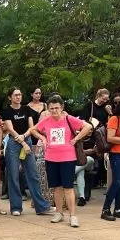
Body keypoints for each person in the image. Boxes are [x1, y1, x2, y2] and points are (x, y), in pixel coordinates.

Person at [32, 95, 91, 228]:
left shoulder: (69, 119)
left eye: (56, 108)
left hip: (67, 158)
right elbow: (34, 130)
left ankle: (73, 215)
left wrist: (76, 139)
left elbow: (87, 126)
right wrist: (43, 138)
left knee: (68, 187)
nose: (54, 111)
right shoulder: (46, 121)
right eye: (51, 108)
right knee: (56, 187)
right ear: (48, 109)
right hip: (51, 157)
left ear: (62, 107)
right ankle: (59, 212)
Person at [1, 87, 52, 217]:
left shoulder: (26, 109)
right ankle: (16, 207)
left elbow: (32, 127)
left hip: (26, 140)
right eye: (15, 95)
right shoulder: (7, 111)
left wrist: (25, 137)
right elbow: (10, 129)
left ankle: (41, 206)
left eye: (20, 94)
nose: (18, 97)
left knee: (33, 175)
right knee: (13, 176)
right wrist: (22, 141)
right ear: (10, 97)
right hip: (14, 143)